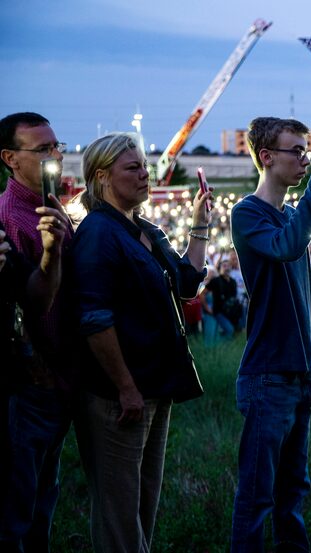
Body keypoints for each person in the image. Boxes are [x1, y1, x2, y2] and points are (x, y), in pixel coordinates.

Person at [69, 132, 211, 552]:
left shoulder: (144, 228)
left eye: (145, 166)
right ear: (102, 177)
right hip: (120, 396)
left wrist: (200, 224)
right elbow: (94, 319)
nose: (145, 175)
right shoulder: (98, 233)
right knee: (119, 516)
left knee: (143, 504)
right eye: (133, 168)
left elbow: (187, 283)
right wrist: (125, 386)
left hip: (155, 386)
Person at [230, 117, 311, 552]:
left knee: (293, 496)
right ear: (267, 158)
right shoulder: (247, 214)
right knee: (257, 497)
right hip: (267, 375)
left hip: (296, 374)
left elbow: (302, 302)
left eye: (307, 150)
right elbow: (285, 246)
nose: (305, 159)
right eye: (297, 151)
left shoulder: (292, 215)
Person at [0, 111, 75, 550]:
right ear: (10, 157)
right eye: (43, 149)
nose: (55, 156)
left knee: (45, 498)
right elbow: (29, 301)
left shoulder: (50, 203)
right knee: (19, 508)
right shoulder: (12, 215)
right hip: (31, 382)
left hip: (60, 380)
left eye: (56, 146)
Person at [207, 258, 241, 338]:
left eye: (228, 266)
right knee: (230, 330)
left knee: (236, 330)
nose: (227, 268)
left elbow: (234, 298)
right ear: (220, 268)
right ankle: (222, 346)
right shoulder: (215, 280)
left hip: (230, 312)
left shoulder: (233, 282)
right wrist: (207, 308)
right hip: (218, 312)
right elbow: (202, 294)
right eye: (224, 266)